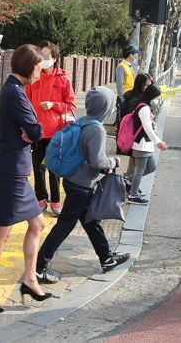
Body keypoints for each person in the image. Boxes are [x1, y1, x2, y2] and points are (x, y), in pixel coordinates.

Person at [36, 86, 130, 285]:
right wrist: (115, 162)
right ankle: (38, 267)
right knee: (65, 226)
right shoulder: (96, 129)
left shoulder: (82, 121)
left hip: (73, 180)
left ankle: (106, 258)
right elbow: (98, 161)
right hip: (81, 185)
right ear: (106, 107)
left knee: (90, 221)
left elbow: (85, 154)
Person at [0, 44, 52, 310]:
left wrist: (31, 131)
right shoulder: (14, 92)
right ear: (29, 67)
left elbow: (31, 129)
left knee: (38, 225)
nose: (41, 73)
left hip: (15, 171)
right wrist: (32, 131)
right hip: (10, 172)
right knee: (2, 234)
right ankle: (29, 280)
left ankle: (30, 279)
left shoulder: (15, 89)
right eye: (39, 68)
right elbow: (36, 128)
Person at [26, 41, 76, 217]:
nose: (43, 60)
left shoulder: (63, 79)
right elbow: (25, 102)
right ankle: (41, 200)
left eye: (47, 57)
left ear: (55, 58)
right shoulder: (34, 77)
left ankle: (55, 201)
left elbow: (71, 105)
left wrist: (53, 105)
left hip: (56, 132)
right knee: (38, 168)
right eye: (42, 56)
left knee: (54, 168)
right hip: (36, 130)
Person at [128, 84, 168, 204]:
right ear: (151, 96)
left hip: (145, 144)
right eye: (156, 98)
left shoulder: (144, 106)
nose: (157, 100)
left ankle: (126, 183)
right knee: (140, 170)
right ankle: (133, 195)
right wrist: (158, 142)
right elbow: (147, 128)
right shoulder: (144, 108)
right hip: (142, 144)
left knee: (151, 167)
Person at [115, 45, 140, 119]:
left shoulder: (129, 66)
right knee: (124, 121)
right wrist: (123, 100)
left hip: (131, 98)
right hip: (125, 99)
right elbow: (119, 85)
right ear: (130, 55)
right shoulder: (121, 67)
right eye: (134, 54)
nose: (135, 56)